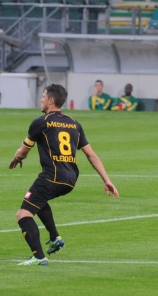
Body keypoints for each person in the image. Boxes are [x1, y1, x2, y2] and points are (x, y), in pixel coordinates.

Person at [9, 84, 118, 266]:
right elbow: (91, 155)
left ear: (51, 100)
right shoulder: (74, 123)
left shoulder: (41, 122)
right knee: (38, 200)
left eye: (43, 97)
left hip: (52, 176)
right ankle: (54, 237)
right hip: (70, 179)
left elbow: (22, 152)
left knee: (23, 214)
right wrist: (107, 180)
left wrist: (16, 157)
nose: (41, 100)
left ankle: (39, 257)